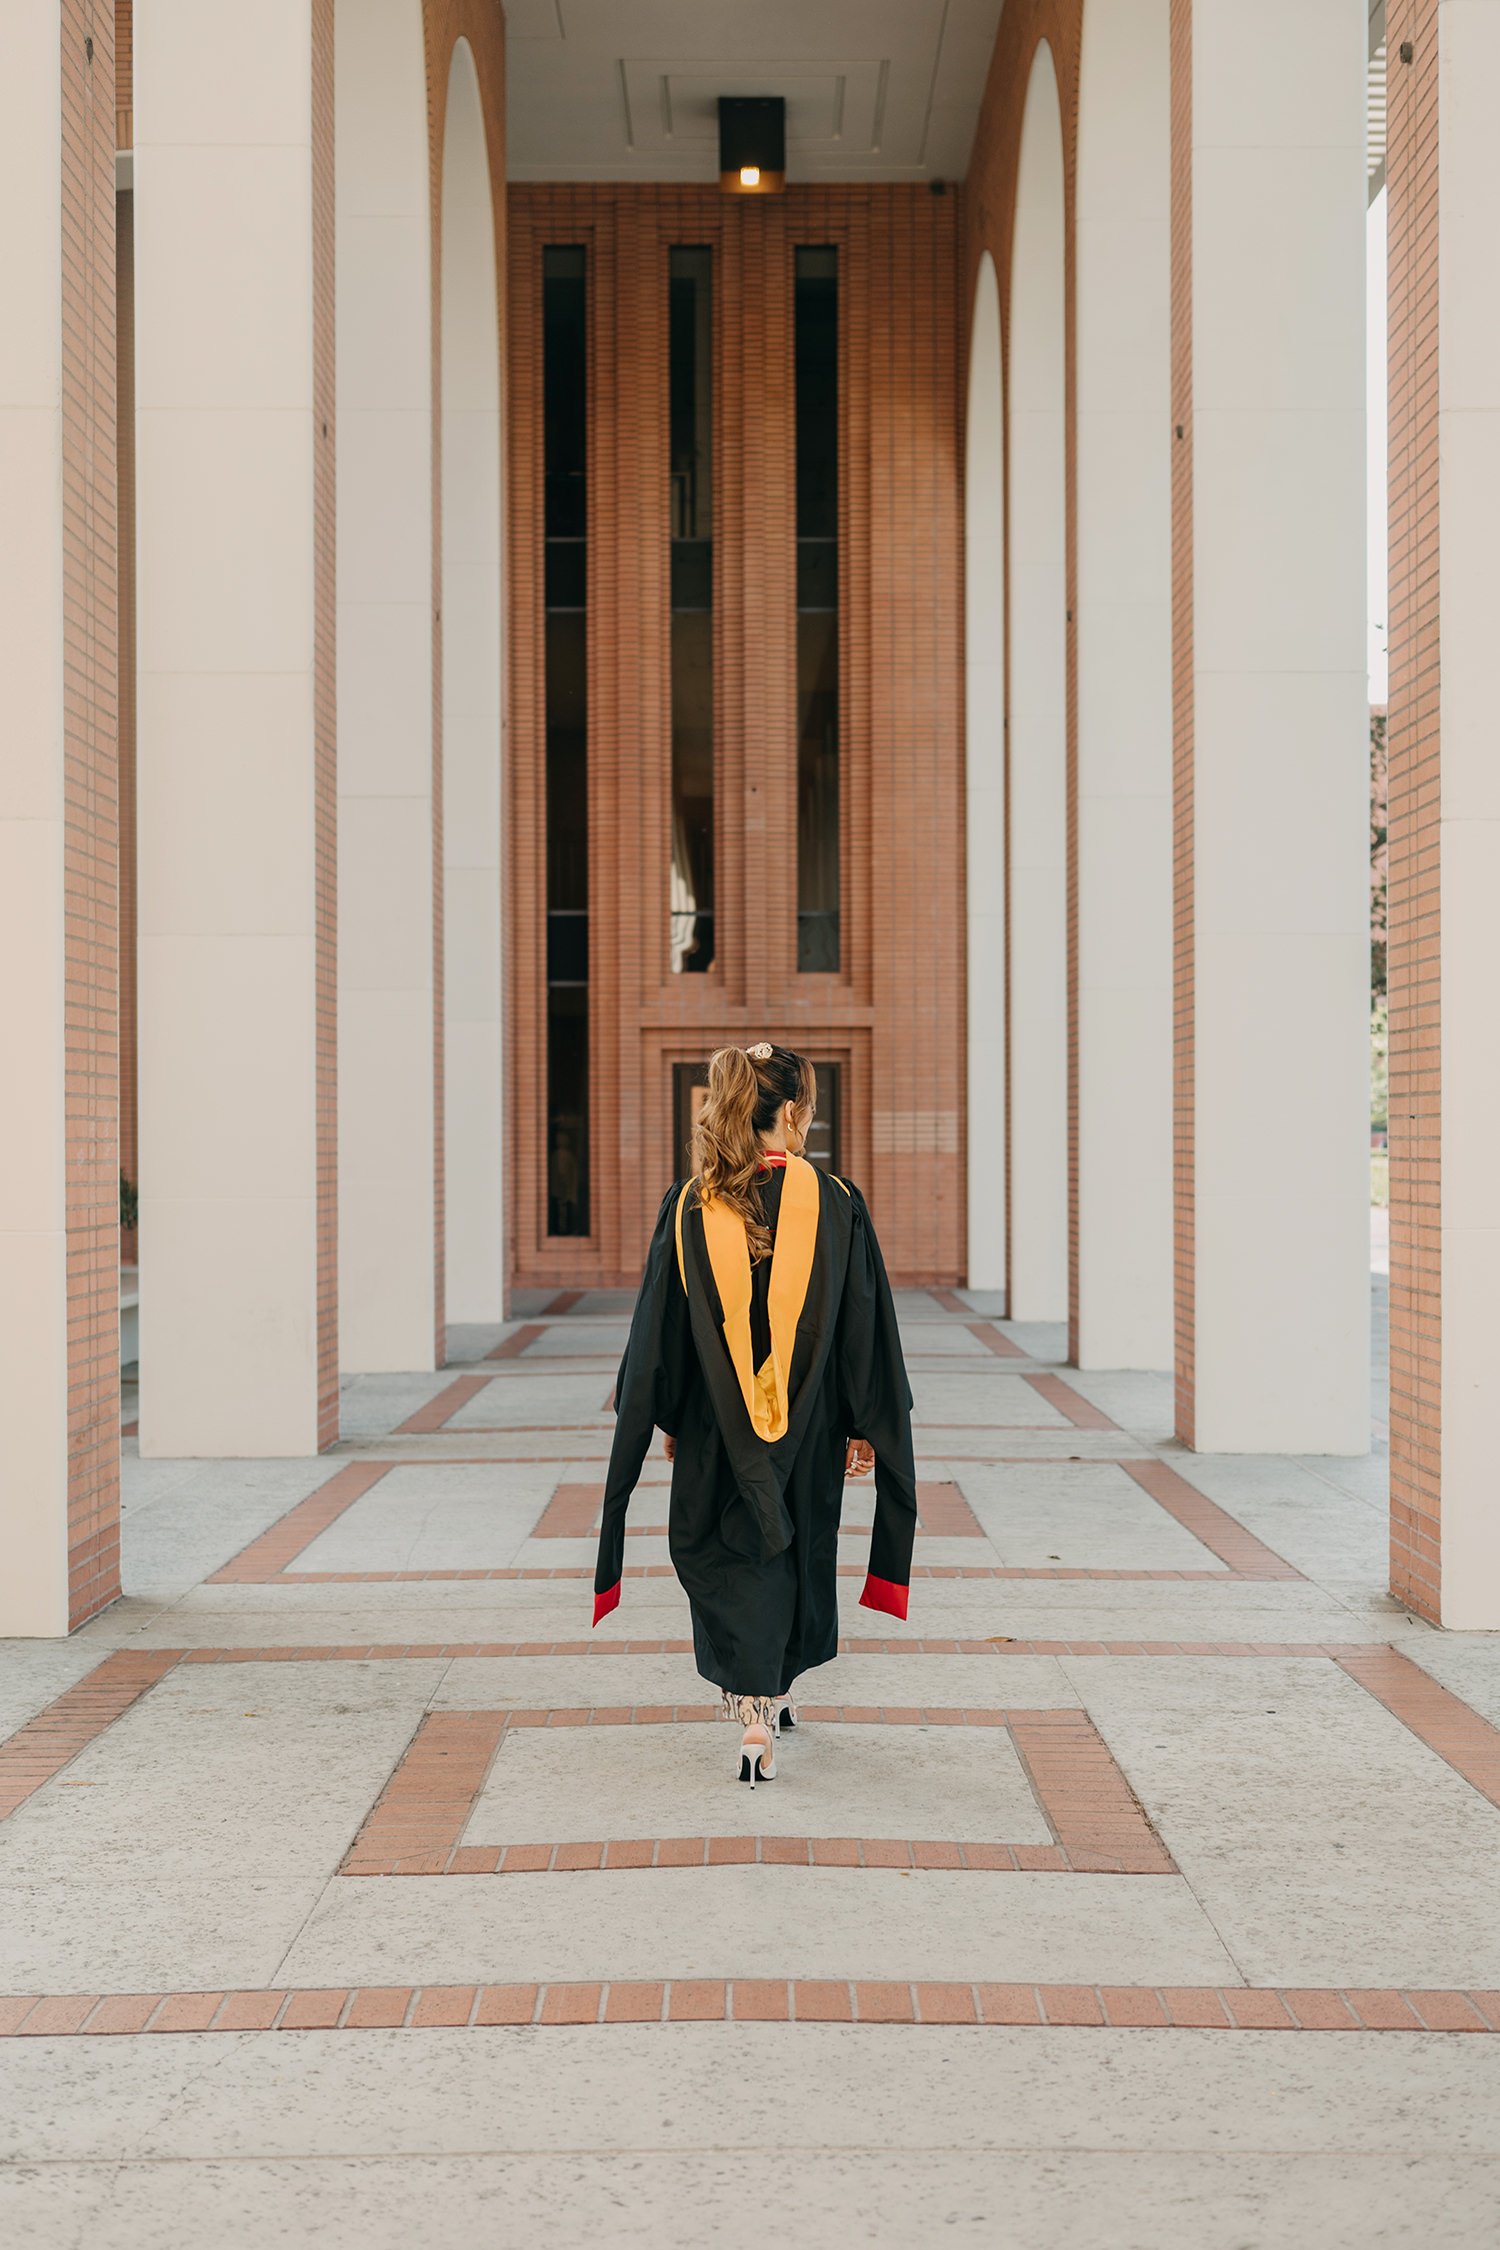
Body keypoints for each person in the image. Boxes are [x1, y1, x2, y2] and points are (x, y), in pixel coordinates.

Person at [593, 1042, 917, 1785]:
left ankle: (753, 1709)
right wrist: (866, 1422)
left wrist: (670, 1418)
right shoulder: (836, 1201)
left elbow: (661, 1333)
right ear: (794, 1111)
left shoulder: (690, 1204)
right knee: (798, 1543)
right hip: (811, 1426)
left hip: (717, 1423)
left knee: (734, 1548)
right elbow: (863, 1326)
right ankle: (775, 1692)